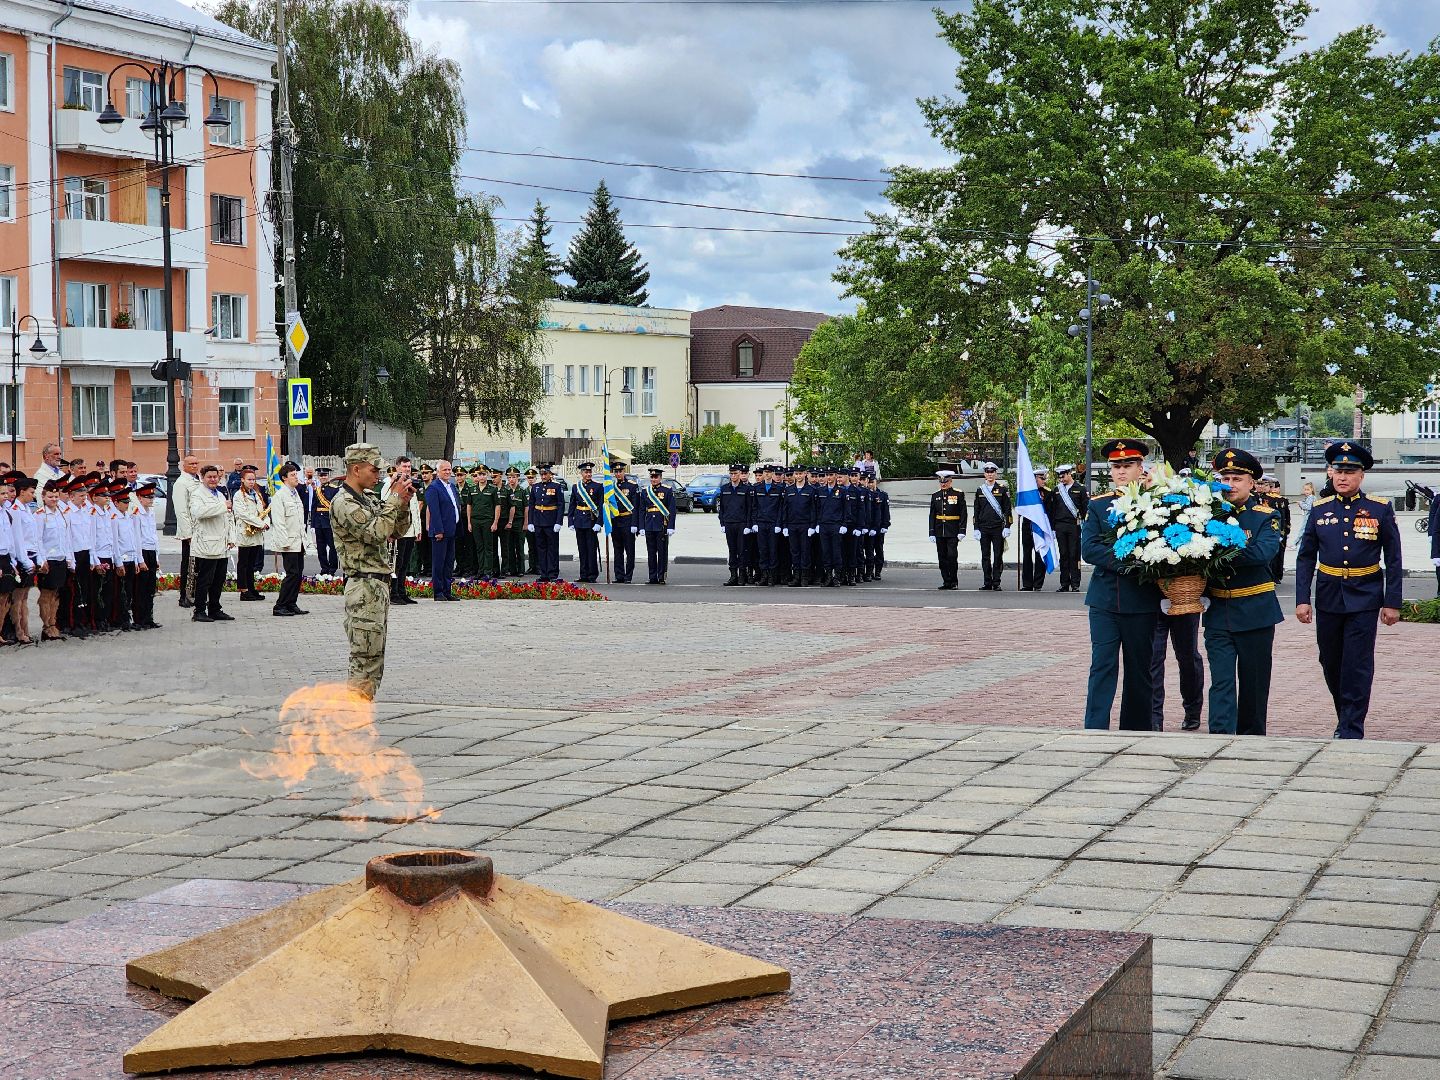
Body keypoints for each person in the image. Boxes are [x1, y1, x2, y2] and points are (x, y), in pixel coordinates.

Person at [1294, 441, 1403, 739]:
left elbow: (1394, 558)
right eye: (1337, 471)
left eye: (1350, 471)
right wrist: (1303, 599)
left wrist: (1392, 602)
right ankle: (1345, 715)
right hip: (1329, 595)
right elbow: (1305, 557)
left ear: (1361, 476)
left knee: (1357, 663)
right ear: (1331, 473)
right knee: (1330, 661)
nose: (1342, 477)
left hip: (1365, 595)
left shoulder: (1379, 508)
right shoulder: (1319, 510)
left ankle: (1351, 727)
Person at [1081, 439, 1162, 730]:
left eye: (1128, 465)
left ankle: (1136, 729)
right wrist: (1129, 559)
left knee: (1140, 670)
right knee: (1102, 666)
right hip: (1104, 601)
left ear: (1141, 468)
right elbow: (1088, 549)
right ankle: (1095, 728)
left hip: (1141, 600)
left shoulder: (1157, 504)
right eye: (1117, 466)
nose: (1122, 471)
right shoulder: (1100, 505)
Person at [1202, 448, 1283, 735]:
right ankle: (1219, 737)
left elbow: (1263, 553)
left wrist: (1216, 553)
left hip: (1255, 612)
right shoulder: (1204, 514)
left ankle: (1251, 741)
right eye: (1225, 477)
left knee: (1254, 683)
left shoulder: (1265, 515)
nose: (1230, 484)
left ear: (1252, 483)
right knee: (1221, 681)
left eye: (1237, 478)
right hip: (1218, 611)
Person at [330, 444, 414, 699]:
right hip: (363, 586)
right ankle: (351, 719)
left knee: (374, 658)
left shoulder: (366, 499)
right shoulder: (344, 502)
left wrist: (403, 504)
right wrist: (393, 500)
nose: (378, 475)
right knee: (364, 657)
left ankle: (359, 715)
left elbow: (395, 532)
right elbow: (375, 533)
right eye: (373, 469)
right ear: (356, 469)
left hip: (377, 587)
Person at [189, 466, 235, 624]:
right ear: (202, 477)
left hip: (221, 545)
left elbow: (228, 518)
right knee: (205, 580)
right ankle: (199, 610)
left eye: (215, 476)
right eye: (210, 477)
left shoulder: (221, 495)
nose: (213, 479)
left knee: (218, 579)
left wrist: (231, 537)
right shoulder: (197, 495)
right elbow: (199, 513)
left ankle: (215, 608)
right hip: (206, 545)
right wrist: (223, 506)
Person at [34, 482, 74, 641]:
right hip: (48, 560)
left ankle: (53, 622)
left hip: (60, 558)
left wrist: (69, 559)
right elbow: (37, 540)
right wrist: (41, 560)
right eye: (50, 497)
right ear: (43, 497)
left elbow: (67, 538)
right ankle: (47, 626)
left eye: (56, 497)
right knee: (46, 594)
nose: (54, 499)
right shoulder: (39, 515)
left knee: (56, 593)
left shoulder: (62, 513)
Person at [268, 463, 308, 617]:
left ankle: (291, 603)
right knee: (292, 574)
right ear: (284, 478)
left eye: (296, 474)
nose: (296, 477)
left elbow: (299, 520)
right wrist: (284, 543)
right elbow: (279, 522)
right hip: (289, 543)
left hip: (299, 542)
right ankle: (280, 605)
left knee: (298, 574)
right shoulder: (280, 496)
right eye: (292, 475)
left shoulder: (295, 493)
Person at [381, 457, 420, 604]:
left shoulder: (411, 484)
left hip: (409, 530)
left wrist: (417, 528)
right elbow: (386, 506)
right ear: (397, 467)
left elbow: (413, 509)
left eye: (409, 466)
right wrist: (389, 530)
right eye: (404, 466)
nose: (407, 469)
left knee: (404, 564)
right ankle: (394, 592)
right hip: (397, 531)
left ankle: (402, 592)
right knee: (395, 563)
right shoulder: (391, 484)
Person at [425, 460, 461, 601]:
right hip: (440, 532)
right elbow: (435, 511)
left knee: (449, 562)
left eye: (449, 469)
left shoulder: (451, 486)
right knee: (439, 562)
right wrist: (438, 530)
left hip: (452, 530)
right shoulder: (434, 488)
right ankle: (438, 592)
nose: (447, 472)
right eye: (444, 470)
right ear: (438, 472)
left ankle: (447, 590)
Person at [973, 463, 1012, 591]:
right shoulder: (980, 490)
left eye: (992, 472)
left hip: (997, 528)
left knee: (998, 555)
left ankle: (996, 582)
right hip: (984, 527)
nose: (990, 474)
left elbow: (1007, 509)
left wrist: (1007, 526)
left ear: (996, 473)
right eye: (987, 472)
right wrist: (976, 528)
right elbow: (976, 511)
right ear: (984, 474)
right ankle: (987, 582)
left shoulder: (1002, 489)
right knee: (985, 556)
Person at [232, 467, 269, 601]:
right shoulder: (238, 495)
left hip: (257, 533)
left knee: (252, 563)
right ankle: (244, 590)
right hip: (245, 532)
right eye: (249, 479)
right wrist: (260, 523)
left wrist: (267, 523)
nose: (252, 482)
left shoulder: (257, 494)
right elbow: (243, 514)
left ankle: (251, 589)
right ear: (242, 480)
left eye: (253, 479)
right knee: (244, 563)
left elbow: (263, 511)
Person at [525, 464, 565, 583]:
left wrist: (558, 522)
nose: (543, 476)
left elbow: (560, 505)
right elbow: (531, 505)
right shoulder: (536, 487)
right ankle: (544, 573)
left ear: (550, 475)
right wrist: (531, 522)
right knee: (541, 549)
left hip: (551, 522)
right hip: (538, 522)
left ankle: (552, 573)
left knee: (552, 548)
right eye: (541, 474)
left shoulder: (556, 487)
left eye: (545, 474)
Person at [928, 470, 967, 590]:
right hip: (940, 530)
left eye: (945, 482)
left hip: (953, 530)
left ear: (950, 481)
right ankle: (946, 581)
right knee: (942, 557)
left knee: (952, 556)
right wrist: (931, 532)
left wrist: (962, 530)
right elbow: (932, 515)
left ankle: (954, 581)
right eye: (941, 482)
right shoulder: (935, 496)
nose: (943, 484)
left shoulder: (958, 494)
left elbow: (963, 513)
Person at [1051, 464, 1088, 592]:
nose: (1061, 480)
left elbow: (1085, 509)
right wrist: (1053, 528)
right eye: (1060, 478)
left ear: (1069, 474)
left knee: (1074, 554)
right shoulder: (1057, 490)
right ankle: (1064, 583)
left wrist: (1085, 525)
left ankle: (1075, 583)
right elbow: (1053, 509)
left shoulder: (1081, 489)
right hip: (1060, 525)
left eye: (1063, 477)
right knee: (1064, 554)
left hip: (1074, 525)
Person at [568, 462, 605, 583]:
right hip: (579, 520)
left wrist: (599, 523)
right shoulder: (576, 487)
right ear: (581, 473)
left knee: (591, 549)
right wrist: (570, 521)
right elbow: (572, 505)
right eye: (586, 472)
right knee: (582, 549)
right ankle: (583, 574)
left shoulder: (598, 487)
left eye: (590, 472)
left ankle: (592, 575)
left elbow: (601, 506)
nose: (588, 474)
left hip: (591, 521)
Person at [131, 481, 161, 631]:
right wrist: (140, 560)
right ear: (139, 498)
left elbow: (154, 536)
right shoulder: (136, 514)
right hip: (142, 552)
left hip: (151, 552)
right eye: (147, 497)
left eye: (152, 496)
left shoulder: (151, 513)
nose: (150, 499)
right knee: (140, 589)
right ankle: (139, 619)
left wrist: (156, 557)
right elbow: (136, 539)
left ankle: (149, 618)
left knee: (150, 588)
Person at [717, 464, 753, 586]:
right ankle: (733, 576)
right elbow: (721, 508)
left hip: (742, 523)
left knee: (742, 550)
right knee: (732, 550)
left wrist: (749, 525)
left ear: (739, 474)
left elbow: (750, 509)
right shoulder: (724, 489)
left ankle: (742, 575)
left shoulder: (746, 489)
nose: (733, 476)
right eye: (731, 474)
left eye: (736, 473)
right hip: (729, 523)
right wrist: (722, 522)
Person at [173, 454, 201, 608]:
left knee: (197, 565)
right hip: (190, 532)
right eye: (191, 463)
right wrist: (187, 533)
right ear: (184, 465)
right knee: (188, 564)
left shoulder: (197, 480)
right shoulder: (181, 483)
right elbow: (181, 510)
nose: (194, 466)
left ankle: (194, 594)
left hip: (200, 530)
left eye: (196, 463)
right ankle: (184, 595)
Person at [1020, 467, 1055, 592]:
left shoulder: (1048, 493)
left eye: (1044, 478)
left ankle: (1038, 583)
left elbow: (1050, 512)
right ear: (1034, 479)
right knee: (1026, 556)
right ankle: (1027, 583)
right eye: (1041, 478)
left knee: (1040, 554)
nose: (1044, 481)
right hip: (1028, 526)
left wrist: (1052, 529)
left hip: (1041, 528)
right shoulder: (1026, 493)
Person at [784, 465, 819, 587]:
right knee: (794, 552)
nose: (798, 476)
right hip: (792, 525)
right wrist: (785, 526)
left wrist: (812, 525)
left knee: (805, 552)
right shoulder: (789, 490)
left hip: (805, 525)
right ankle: (796, 576)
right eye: (796, 474)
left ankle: (805, 577)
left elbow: (814, 509)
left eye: (800, 473)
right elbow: (785, 509)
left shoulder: (811, 490)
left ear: (805, 474)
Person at [640, 467, 676, 584]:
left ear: (660, 478)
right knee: (651, 553)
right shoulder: (645, 491)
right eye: (652, 477)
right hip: (649, 525)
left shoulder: (667, 490)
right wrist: (641, 527)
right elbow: (642, 510)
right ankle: (652, 577)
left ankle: (661, 576)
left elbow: (672, 510)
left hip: (662, 525)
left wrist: (671, 526)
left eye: (656, 477)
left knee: (662, 552)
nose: (654, 479)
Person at [751, 463, 784, 586]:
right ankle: (764, 576)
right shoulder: (757, 488)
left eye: (770, 472)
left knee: (773, 551)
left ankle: (772, 577)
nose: (767, 474)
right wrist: (754, 523)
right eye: (765, 472)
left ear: (773, 474)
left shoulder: (779, 489)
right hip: (761, 523)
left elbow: (781, 508)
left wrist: (778, 524)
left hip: (773, 524)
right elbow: (754, 507)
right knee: (763, 550)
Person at [609, 461, 640, 583]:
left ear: (624, 471)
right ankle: (619, 575)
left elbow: (635, 507)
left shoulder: (632, 486)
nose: (618, 473)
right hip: (615, 521)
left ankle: (628, 575)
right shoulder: (610, 486)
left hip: (628, 520)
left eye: (620, 471)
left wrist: (634, 524)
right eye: (616, 472)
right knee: (617, 550)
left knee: (629, 550)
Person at [815, 466, 845, 587]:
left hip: (836, 525)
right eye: (827, 475)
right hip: (823, 525)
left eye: (831, 475)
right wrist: (817, 523)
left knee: (836, 552)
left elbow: (845, 509)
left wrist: (844, 524)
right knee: (826, 552)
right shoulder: (820, 491)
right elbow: (817, 508)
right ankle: (828, 577)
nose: (829, 477)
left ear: (835, 476)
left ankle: (837, 577)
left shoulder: (842, 491)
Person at [1258, 474, 1291, 583]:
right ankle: (1271, 576)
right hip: (1268, 530)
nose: (1262, 487)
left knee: (1278, 554)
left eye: (1265, 485)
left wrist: (1286, 529)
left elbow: (1286, 516)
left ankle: (1276, 575)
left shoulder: (1281, 500)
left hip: (1278, 530)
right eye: (1260, 484)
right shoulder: (1259, 498)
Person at [471, 467, 502, 579]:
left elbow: (497, 506)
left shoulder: (493, 489)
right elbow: (469, 506)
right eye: (479, 474)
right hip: (475, 521)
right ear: (477, 476)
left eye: (484, 474)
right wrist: (470, 523)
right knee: (479, 547)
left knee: (488, 548)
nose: (482, 477)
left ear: (487, 475)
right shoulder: (472, 489)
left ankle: (488, 571)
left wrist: (495, 522)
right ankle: (481, 570)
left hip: (487, 521)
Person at [499, 467, 526, 578]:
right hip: (507, 521)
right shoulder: (504, 490)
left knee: (519, 546)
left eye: (513, 477)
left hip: (519, 521)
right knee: (509, 546)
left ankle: (520, 569)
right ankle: (511, 568)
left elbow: (526, 508)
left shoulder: (522, 491)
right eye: (509, 477)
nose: (511, 479)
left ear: (518, 478)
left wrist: (525, 523)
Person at [313, 468, 340, 576]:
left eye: (325, 475)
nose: (323, 477)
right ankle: (324, 568)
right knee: (321, 547)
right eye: (321, 475)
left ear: (328, 476)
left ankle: (332, 569)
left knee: (332, 547)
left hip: (329, 522)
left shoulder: (334, 489)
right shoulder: (317, 490)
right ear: (318, 477)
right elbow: (314, 506)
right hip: (319, 523)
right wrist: (313, 524)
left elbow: (336, 507)